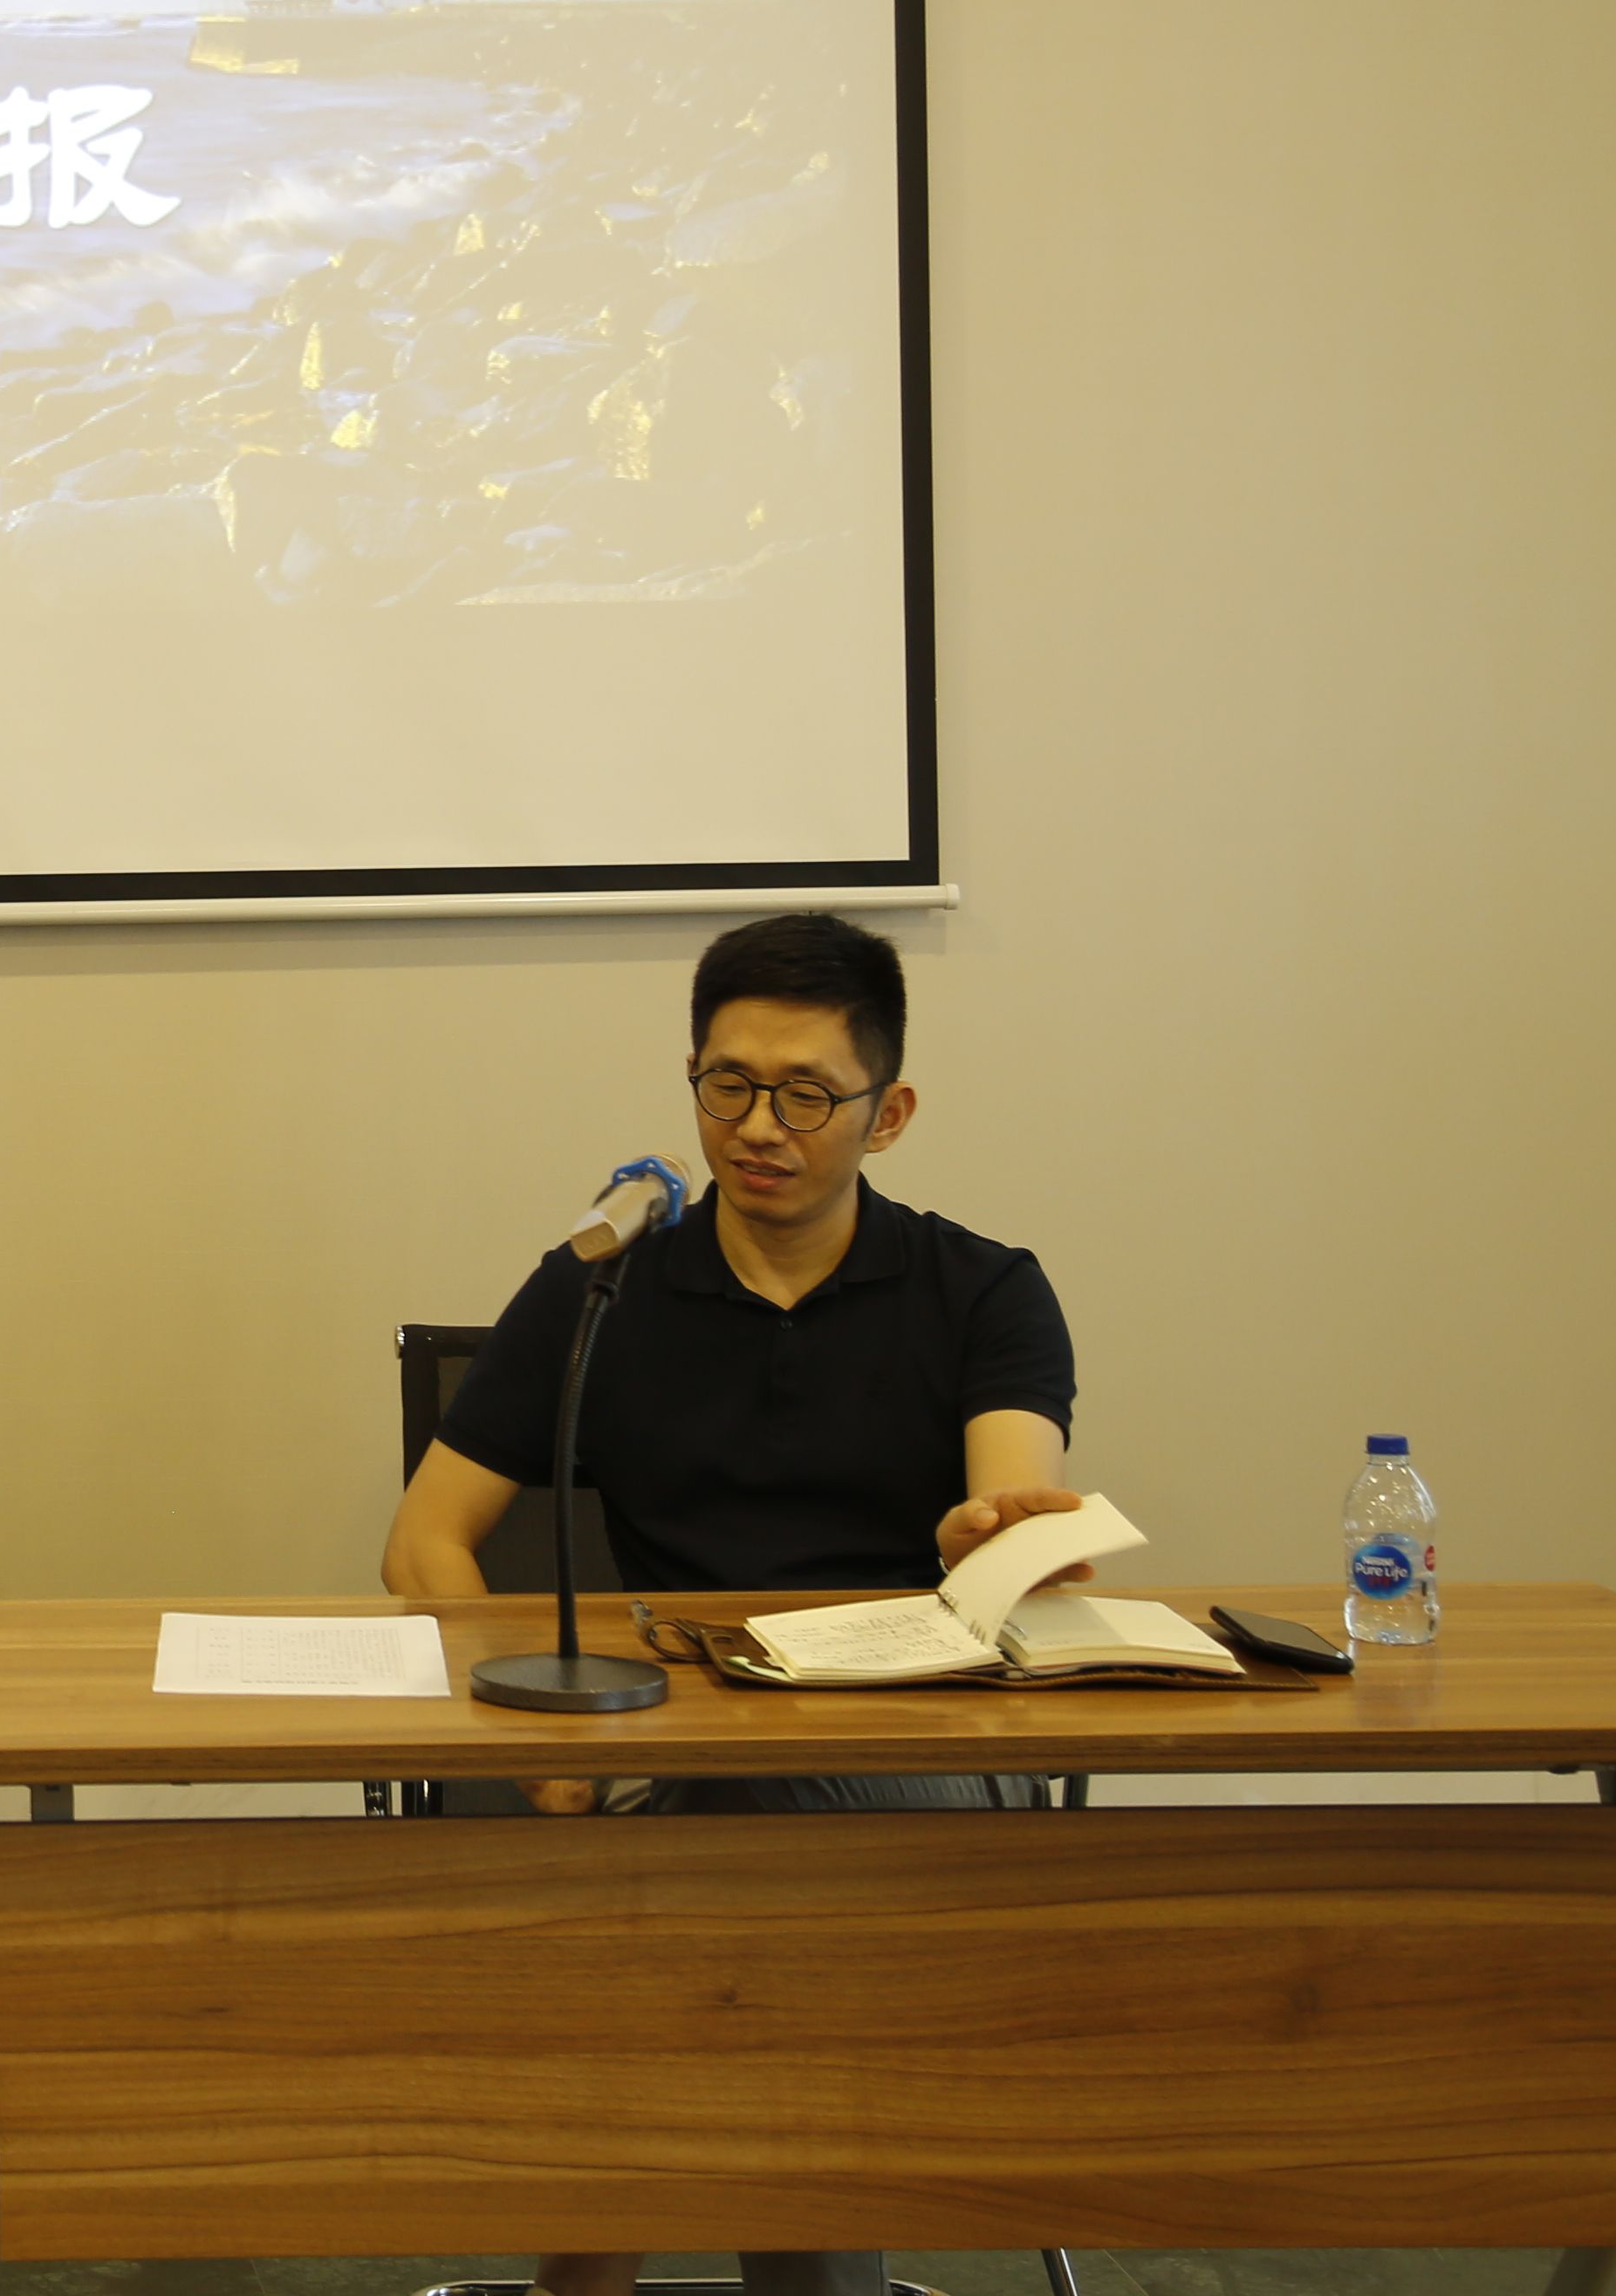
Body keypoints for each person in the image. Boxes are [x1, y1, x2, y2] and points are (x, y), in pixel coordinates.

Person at [380, 910, 1084, 2296]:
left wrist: (989, 1535)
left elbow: (1015, 1518)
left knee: (714, 1869)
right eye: (728, 1084)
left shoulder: (983, 1292)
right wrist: (531, 1737)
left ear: (888, 1116)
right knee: (726, 1861)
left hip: (912, 1753)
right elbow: (425, 1546)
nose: (759, 1127)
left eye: (806, 1095)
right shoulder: (603, 1288)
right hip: (665, 1739)